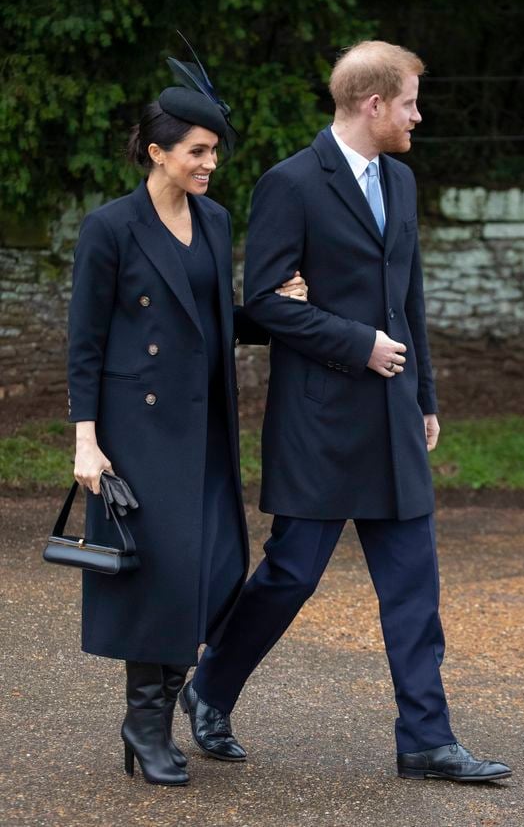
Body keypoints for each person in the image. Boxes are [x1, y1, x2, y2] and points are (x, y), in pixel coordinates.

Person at [180, 41, 512, 783]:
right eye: (409, 103)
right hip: (320, 421)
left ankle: (426, 739)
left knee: (414, 585)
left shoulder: (401, 178)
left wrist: (424, 396)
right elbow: (262, 302)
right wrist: (357, 342)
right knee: (291, 575)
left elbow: (409, 298)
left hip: (393, 416)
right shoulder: (290, 184)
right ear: (373, 105)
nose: (417, 117)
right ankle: (210, 685)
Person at [68, 77, 307, 786]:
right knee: (162, 573)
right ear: (157, 152)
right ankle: (147, 724)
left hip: (204, 426)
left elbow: (216, 318)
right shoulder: (110, 227)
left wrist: (274, 312)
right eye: (198, 151)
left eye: (214, 153)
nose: (210, 163)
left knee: (216, 567)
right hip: (135, 431)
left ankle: (152, 719)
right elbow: (85, 340)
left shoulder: (216, 222)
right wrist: (85, 440)